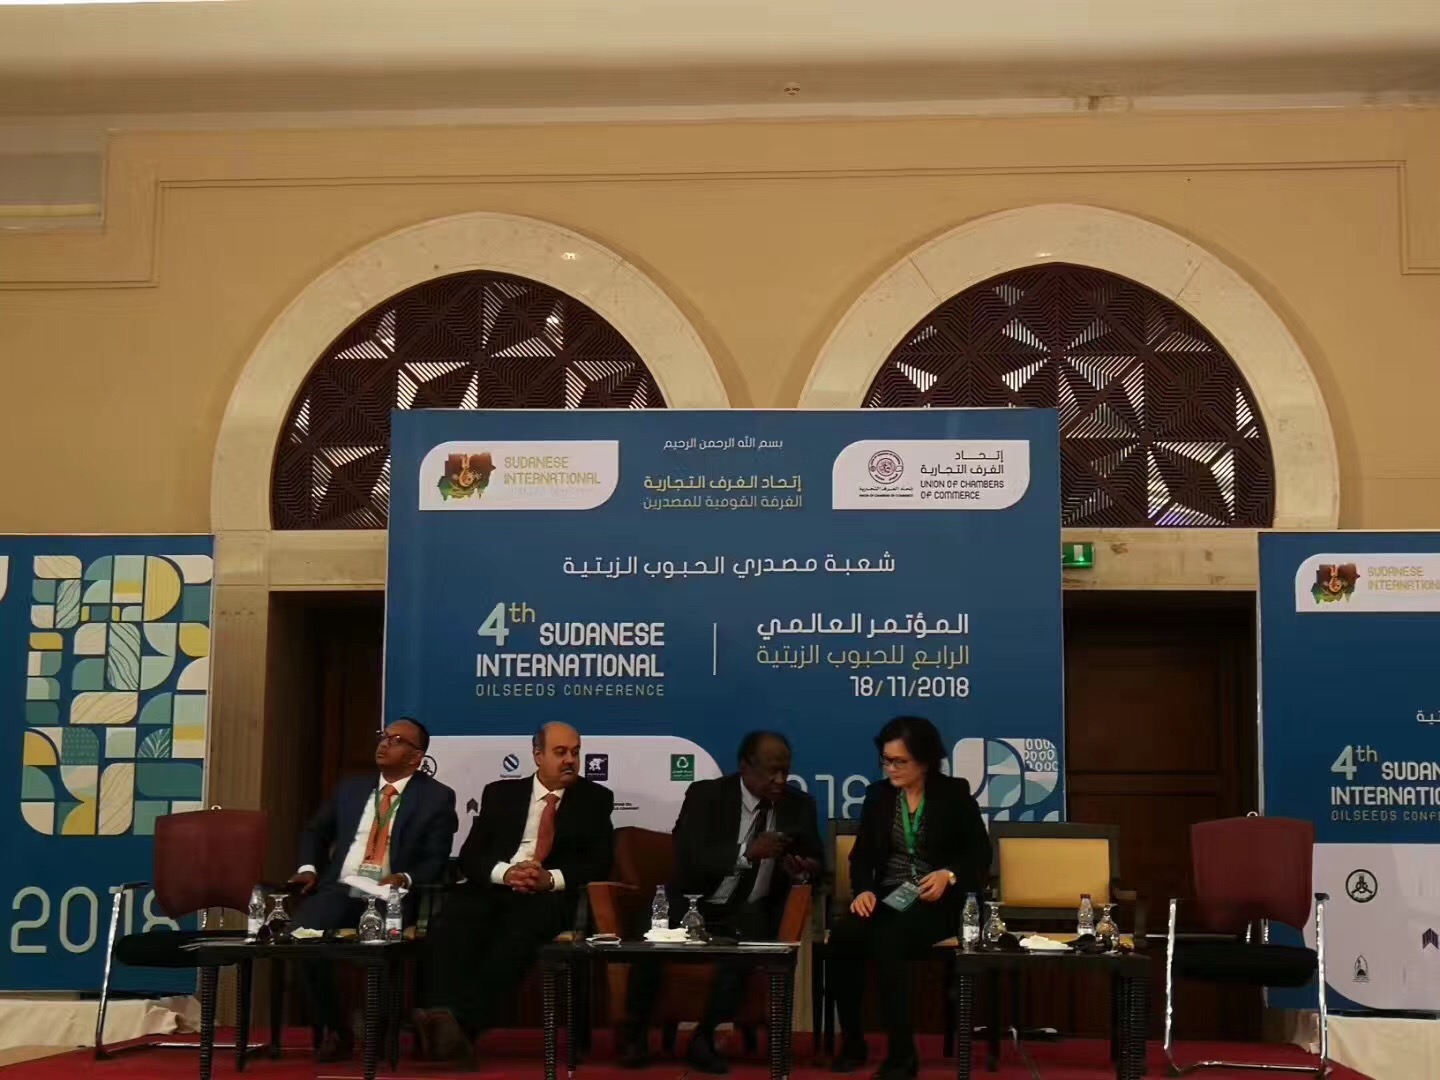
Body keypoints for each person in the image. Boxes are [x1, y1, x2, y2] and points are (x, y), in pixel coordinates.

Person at [620, 731, 823, 1074]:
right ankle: (636, 1033)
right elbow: (689, 857)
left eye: (785, 771)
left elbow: (817, 862)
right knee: (649, 935)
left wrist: (804, 869)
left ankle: (705, 1037)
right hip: (693, 899)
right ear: (745, 766)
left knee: (743, 950)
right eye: (771, 771)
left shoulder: (798, 805)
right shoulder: (706, 795)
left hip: (751, 908)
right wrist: (746, 853)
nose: (780, 780)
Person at [413, 721, 614, 1066]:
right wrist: (506, 873)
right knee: (454, 920)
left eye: (575, 752)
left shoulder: (594, 798)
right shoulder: (501, 794)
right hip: (496, 886)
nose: (570, 760)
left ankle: (460, 1026)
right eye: (560, 752)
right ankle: (441, 1013)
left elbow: (599, 862)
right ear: (538, 755)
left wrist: (550, 879)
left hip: (549, 896)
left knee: (517, 933)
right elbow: (472, 856)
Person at [827, 716, 991, 1080]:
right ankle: (853, 1042)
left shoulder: (953, 793)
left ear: (925, 760)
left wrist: (949, 874)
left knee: (889, 937)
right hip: (890, 896)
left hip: (941, 900)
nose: (890, 768)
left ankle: (902, 1056)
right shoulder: (879, 796)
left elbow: (980, 854)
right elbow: (861, 857)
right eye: (886, 760)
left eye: (899, 761)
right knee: (845, 935)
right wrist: (863, 890)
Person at [288, 717, 459, 1062]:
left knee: (379, 945)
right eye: (384, 736)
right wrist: (308, 869)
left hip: (389, 895)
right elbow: (316, 831)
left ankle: (379, 1026)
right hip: (341, 888)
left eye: (396, 740)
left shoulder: (436, 797)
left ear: (416, 757)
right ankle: (336, 1028)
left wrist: (405, 878)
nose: (384, 743)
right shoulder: (352, 789)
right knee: (300, 937)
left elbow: (436, 859)